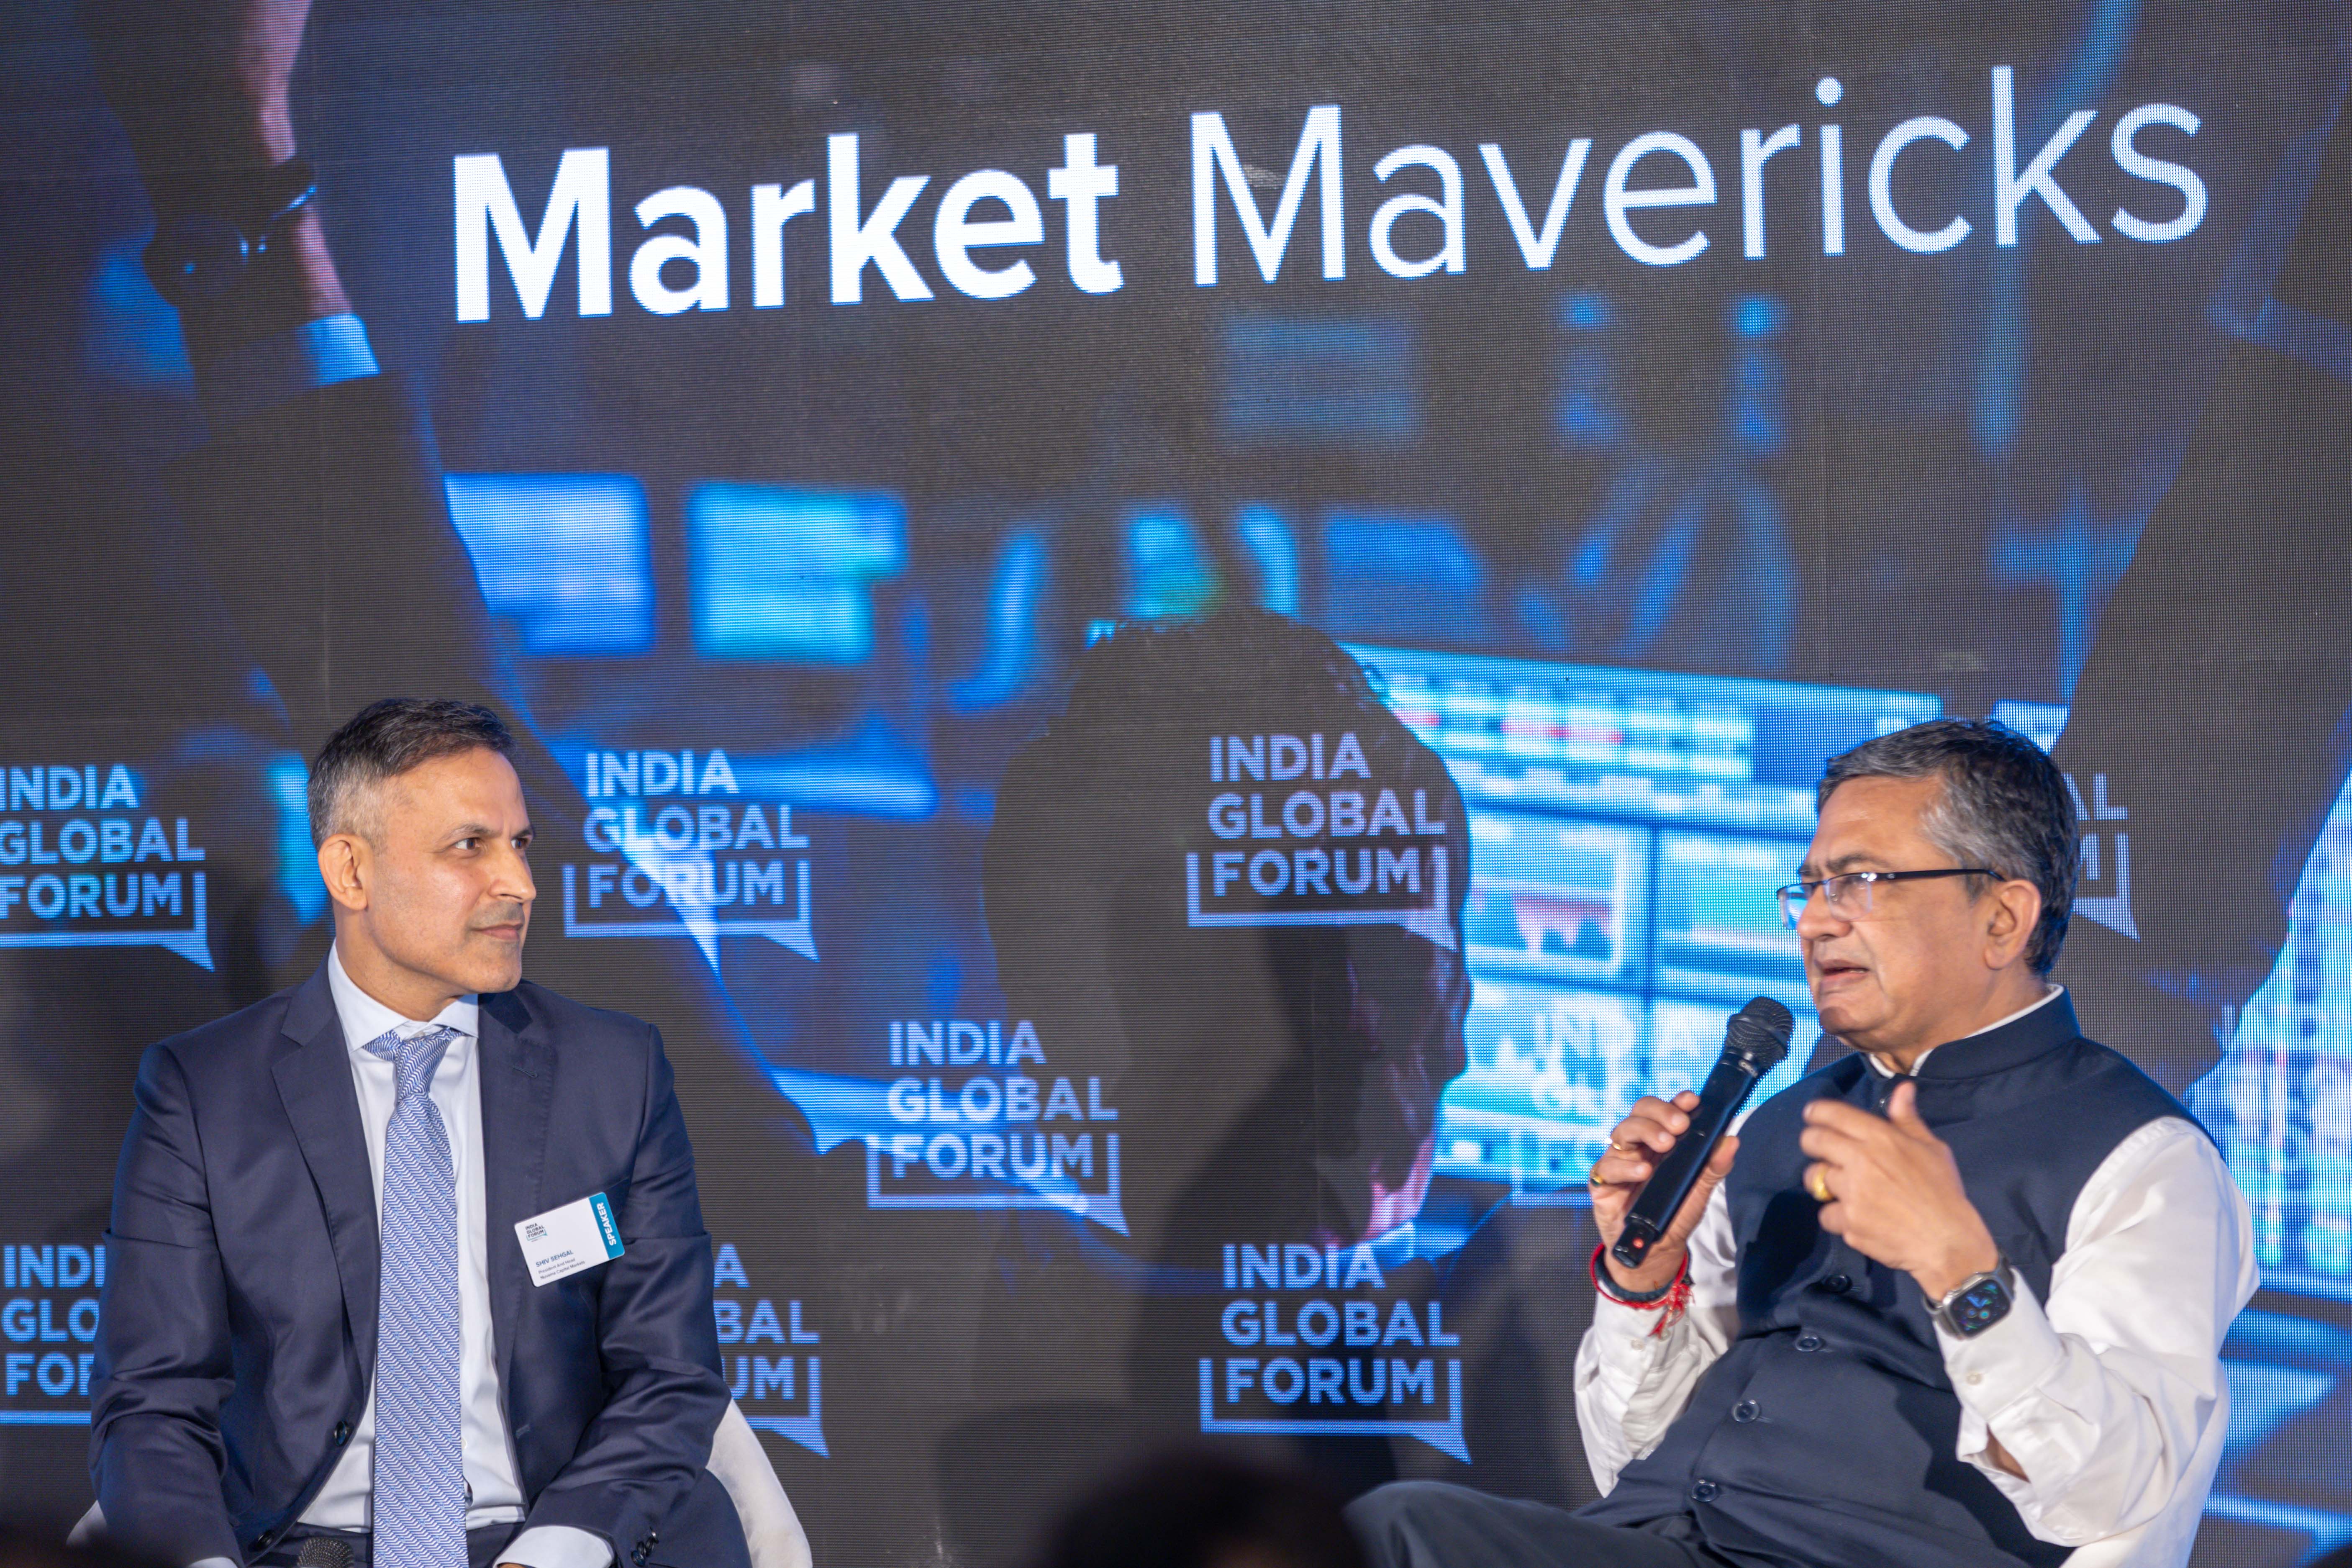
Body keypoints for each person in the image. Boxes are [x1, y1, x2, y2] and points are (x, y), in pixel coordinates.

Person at [1348, 718, 2257, 1568]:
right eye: (1811, 888)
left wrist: (1963, 1272)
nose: (1818, 920)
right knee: (1382, 1531)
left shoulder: (2144, 1157)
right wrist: (1645, 1283)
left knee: (1401, 1529)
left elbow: (2116, 1492)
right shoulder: (1782, 1122)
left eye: (1862, 882)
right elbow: (1632, 1455)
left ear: (2002, 918)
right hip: (1669, 1543)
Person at [91, 699, 750, 1568]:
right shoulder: (202, 1089)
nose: (519, 883)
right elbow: (151, 1406)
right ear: (350, 871)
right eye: (470, 846)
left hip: (554, 1540)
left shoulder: (614, 1071)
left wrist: (549, 1554)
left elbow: (670, 1377)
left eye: (520, 844)